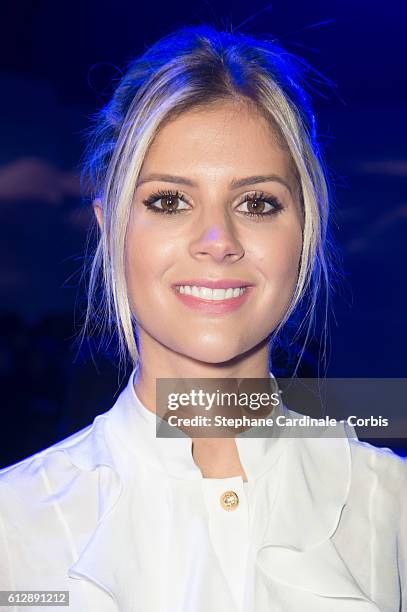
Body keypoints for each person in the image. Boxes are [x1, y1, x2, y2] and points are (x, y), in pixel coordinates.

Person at [0, 24, 406, 612]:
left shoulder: (390, 510)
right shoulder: (14, 527)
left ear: (306, 235)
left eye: (257, 203)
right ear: (110, 231)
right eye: (168, 201)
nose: (218, 241)